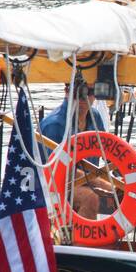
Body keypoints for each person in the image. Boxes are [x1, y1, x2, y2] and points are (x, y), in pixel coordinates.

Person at [39, 81, 111, 220]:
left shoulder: (95, 116)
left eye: (90, 92)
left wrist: (122, 181)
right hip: (51, 186)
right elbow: (56, 169)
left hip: (85, 181)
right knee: (90, 198)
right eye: (79, 92)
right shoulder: (54, 125)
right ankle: (80, 241)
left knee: (123, 192)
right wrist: (103, 183)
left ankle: (112, 237)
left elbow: (107, 151)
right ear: (67, 92)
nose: (84, 98)